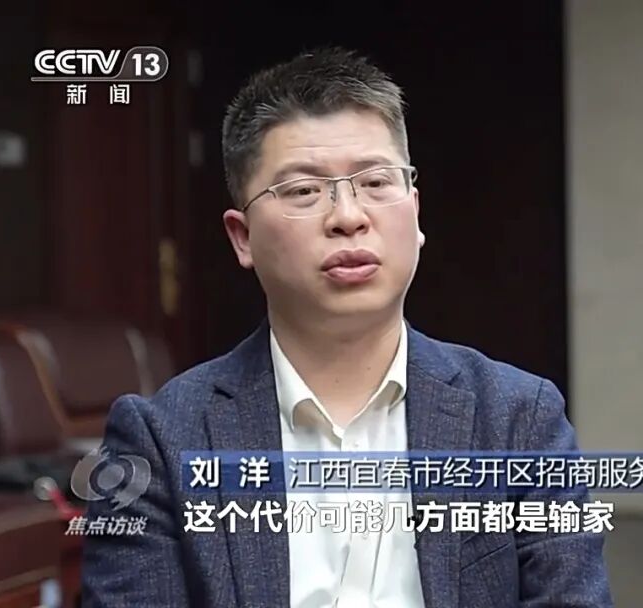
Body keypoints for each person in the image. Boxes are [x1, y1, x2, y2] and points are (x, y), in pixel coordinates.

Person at [81, 46, 613, 607]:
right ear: (243, 237)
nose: (348, 217)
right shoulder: (162, 440)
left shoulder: (517, 419)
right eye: (304, 191)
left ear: (415, 210)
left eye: (377, 182)